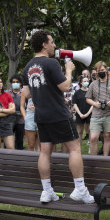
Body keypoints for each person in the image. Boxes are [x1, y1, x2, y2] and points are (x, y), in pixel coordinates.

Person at [22, 30, 94, 203]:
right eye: (52, 42)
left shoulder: (27, 67)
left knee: (45, 152)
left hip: (41, 116)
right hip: (59, 114)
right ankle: (80, 189)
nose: (54, 45)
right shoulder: (51, 63)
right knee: (75, 148)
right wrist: (68, 70)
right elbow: (66, 86)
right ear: (44, 44)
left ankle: (47, 191)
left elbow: (26, 93)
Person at [86, 61, 110, 156]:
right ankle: (93, 159)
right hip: (96, 114)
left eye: (102, 70)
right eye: (98, 71)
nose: (101, 72)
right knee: (93, 137)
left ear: (106, 70)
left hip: (109, 113)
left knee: (107, 137)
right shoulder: (93, 84)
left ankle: (105, 157)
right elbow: (87, 98)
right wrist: (95, 104)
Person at [72, 76, 93, 147]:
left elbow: (93, 104)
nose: (86, 82)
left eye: (87, 81)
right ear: (81, 82)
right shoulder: (77, 92)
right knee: (79, 132)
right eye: (84, 81)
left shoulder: (90, 91)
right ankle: (78, 148)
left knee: (90, 131)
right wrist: (80, 114)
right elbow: (74, 104)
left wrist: (87, 114)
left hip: (89, 114)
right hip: (79, 114)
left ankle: (91, 147)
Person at [8, 74, 25, 150]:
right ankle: (7, 159)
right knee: (8, 141)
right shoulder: (7, 93)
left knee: (19, 141)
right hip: (9, 119)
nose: (15, 83)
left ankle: (19, 159)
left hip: (21, 120)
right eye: (13, 82)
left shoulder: (24, 93)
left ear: (21, 83)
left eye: (17, 82)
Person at [0, 77, 15, 149]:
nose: (0, 84)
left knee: (11, 148)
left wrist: (1, 110)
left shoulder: (7, 95)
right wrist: (8, 111)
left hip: (6, 123)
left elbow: (13, 110)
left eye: (0, 82)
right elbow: (10, 110)